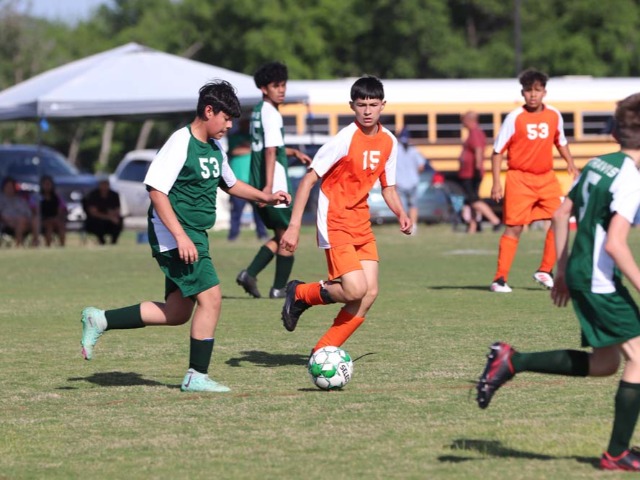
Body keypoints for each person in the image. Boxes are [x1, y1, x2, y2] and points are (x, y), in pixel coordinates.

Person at [79, 80, 291, 393]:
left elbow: (231, 184)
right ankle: (196, 375)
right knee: (212, 298)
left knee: (177, 312)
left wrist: (266, 196)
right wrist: (180, 237)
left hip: (194, 235)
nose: (230, 126)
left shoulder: (215, 147)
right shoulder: (181, 142)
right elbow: (156, 191)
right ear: (209, 111)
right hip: (175, 234)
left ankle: (101, 319)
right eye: (226, 119)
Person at [475, 92, 640, 471]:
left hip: (581, 273)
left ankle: (512, 360)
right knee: (639, 359)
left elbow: (561, 213)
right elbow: (615, 244)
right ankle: (616, 453)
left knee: (605, 363)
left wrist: (562, 270)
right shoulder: (631, 178)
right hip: (598, 281)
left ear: (615, 132)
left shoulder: (599, 163)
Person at [279, 75, 412, 355]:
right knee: (354, 290)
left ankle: (323, 352)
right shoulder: (344, 139)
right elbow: (308, 180)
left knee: (370, 293)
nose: (367, 111)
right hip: (335, 218)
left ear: (383, 105)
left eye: (373, 105)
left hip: (360, 220)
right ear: (352, 106)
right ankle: (301, 293)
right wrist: (293, 227)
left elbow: (388, 187)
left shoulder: (389, 141)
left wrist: (401, 212)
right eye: (361, 105)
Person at [489, 69, 578, 293]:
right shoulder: (514, 118)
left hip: (546, 178)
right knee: (515, 228)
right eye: (528, 91)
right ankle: (499, 279)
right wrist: (496, 183)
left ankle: (545, 270)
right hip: (519, 178)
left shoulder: (554, 115)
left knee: (560, 218)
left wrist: (570, 162)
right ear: (523, 93)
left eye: (537, 90)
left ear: (544, 92)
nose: (533, 95)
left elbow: (561, 141)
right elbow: (497, 151)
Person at [236, 61, 312, 300]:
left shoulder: (258, 111)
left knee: (281, 235)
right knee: (289, 235)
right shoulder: (272, 114)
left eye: (283, 85)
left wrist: (293, 152)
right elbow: (270, 151)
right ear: (264, 88)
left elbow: (270, 147)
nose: (281, 90)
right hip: (274, 184)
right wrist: (268, 188)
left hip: (258, 180)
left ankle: (249, 274)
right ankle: (278, 288)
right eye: (275, 86)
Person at [457, 111, 502, 234]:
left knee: (474, 200)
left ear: (469, 120)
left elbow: (478, 150)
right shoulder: (472, 133)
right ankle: (473, 227)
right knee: (470, 201)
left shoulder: (475, 133)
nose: (462, 123)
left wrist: (477, 167)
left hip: (472, 173)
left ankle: (495, 221)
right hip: (467, 173)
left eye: (463, 120)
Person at [227, 122, 268, 242]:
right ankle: (233, 236)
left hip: (253, 181)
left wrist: (247, 149)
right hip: (237, 181)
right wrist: (250, 149)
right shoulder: (234, 136)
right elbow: (234, 151)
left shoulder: (254, 137)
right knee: (236, 212)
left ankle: (262, 234)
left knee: (259, 211)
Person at [395, 127, 427, 235]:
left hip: (399, 182)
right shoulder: (414, 150)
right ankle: (413, 226)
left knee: (401, 207)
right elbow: (421, 166)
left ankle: (404, 226)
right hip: (412, 181)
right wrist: (415, 174)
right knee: (413, 205)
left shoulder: (395, 150)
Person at [0, 176, 38, 247]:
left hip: (24, 222)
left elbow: (28, 212)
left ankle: (35, 243)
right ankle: (19, 244)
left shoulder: (20, 200)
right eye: (8, 186)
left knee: (34, 219)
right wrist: (8, 220)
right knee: (21, 220)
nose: (10, 188)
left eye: (11, 186)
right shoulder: (1, 199)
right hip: (7, 223)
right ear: (3, 187)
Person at [83, 178, 123, 245]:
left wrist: (112, 215)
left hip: (110, 220)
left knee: (119, 220)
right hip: (96, 220)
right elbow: (93, 213)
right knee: (98, 223)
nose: (104, 186)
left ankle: (113, 242)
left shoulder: (114, 195)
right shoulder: (93, 195)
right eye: (102, 184)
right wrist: (108, 217)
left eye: (106, 184)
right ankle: (102, 241)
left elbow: (117, 209)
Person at [39, 175, 67, 247]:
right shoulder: (38, 197)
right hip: (42, 220)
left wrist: (58, 217)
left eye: (49, 184)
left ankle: (62, 245)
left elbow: (62, 209)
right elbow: (35, 210)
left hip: (55, 219)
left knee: (60, 224)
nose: (47, 186)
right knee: (49, 225)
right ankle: (48, 246)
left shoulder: (57, 198)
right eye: (45, 184)